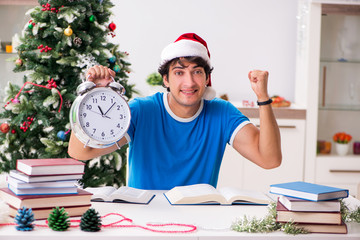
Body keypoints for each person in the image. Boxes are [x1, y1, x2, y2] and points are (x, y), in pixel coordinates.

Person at [68, 33, 282, 190]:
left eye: (197, 72)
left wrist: (263, 98)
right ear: (166, 79)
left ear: (207, 78)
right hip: (144, 218)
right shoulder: (142, 111)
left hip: (199, 218)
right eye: (179, 72)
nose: (189, 82)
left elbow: (270, 159)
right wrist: (90, 97)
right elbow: (79, 153)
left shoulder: (222, 113)